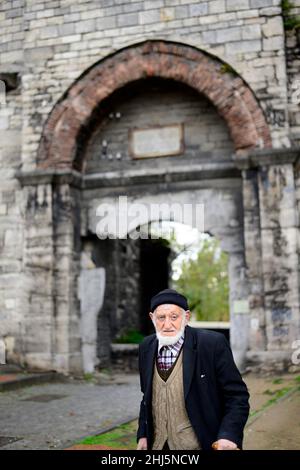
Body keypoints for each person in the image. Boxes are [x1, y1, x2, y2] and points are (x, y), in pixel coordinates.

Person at [136, 288, 250, 451]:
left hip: (199, 445)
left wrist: (228, 435)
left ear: (186, 317)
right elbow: (146, 397)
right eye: (161, 317)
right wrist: (143, 434)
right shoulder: (146, 347)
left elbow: (237, 396)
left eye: (174, 317)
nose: (167, 324)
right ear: (152, 318)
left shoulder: (212, 344)